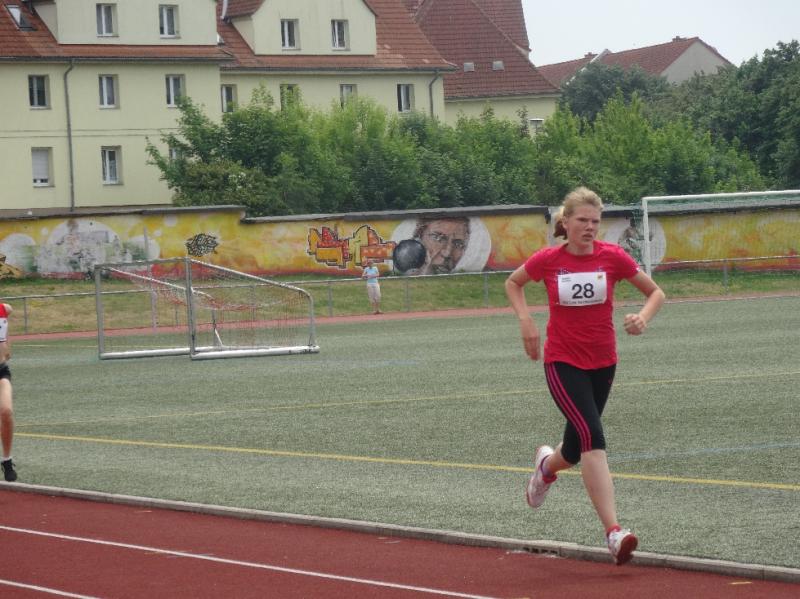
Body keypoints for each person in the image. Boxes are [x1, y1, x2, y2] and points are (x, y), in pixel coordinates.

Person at [504, 187, 665, 566]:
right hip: (562, 362)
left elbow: (656, 292)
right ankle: (614, 532)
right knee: (593, 437)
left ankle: (546, 468)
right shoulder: (549, 259)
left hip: (603, 362)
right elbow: (513, 282)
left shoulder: (613, 257)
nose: (590, 227)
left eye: (595, 221)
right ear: (566, 222)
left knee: (575, 450)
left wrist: (643, 317)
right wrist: (526, 321)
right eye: (582, 220)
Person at [0, 302, 17, 482]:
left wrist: (6, 342)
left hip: (1, 370)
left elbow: (7, 312)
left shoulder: (4, 309)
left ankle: (7, 460)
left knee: (6, 411)